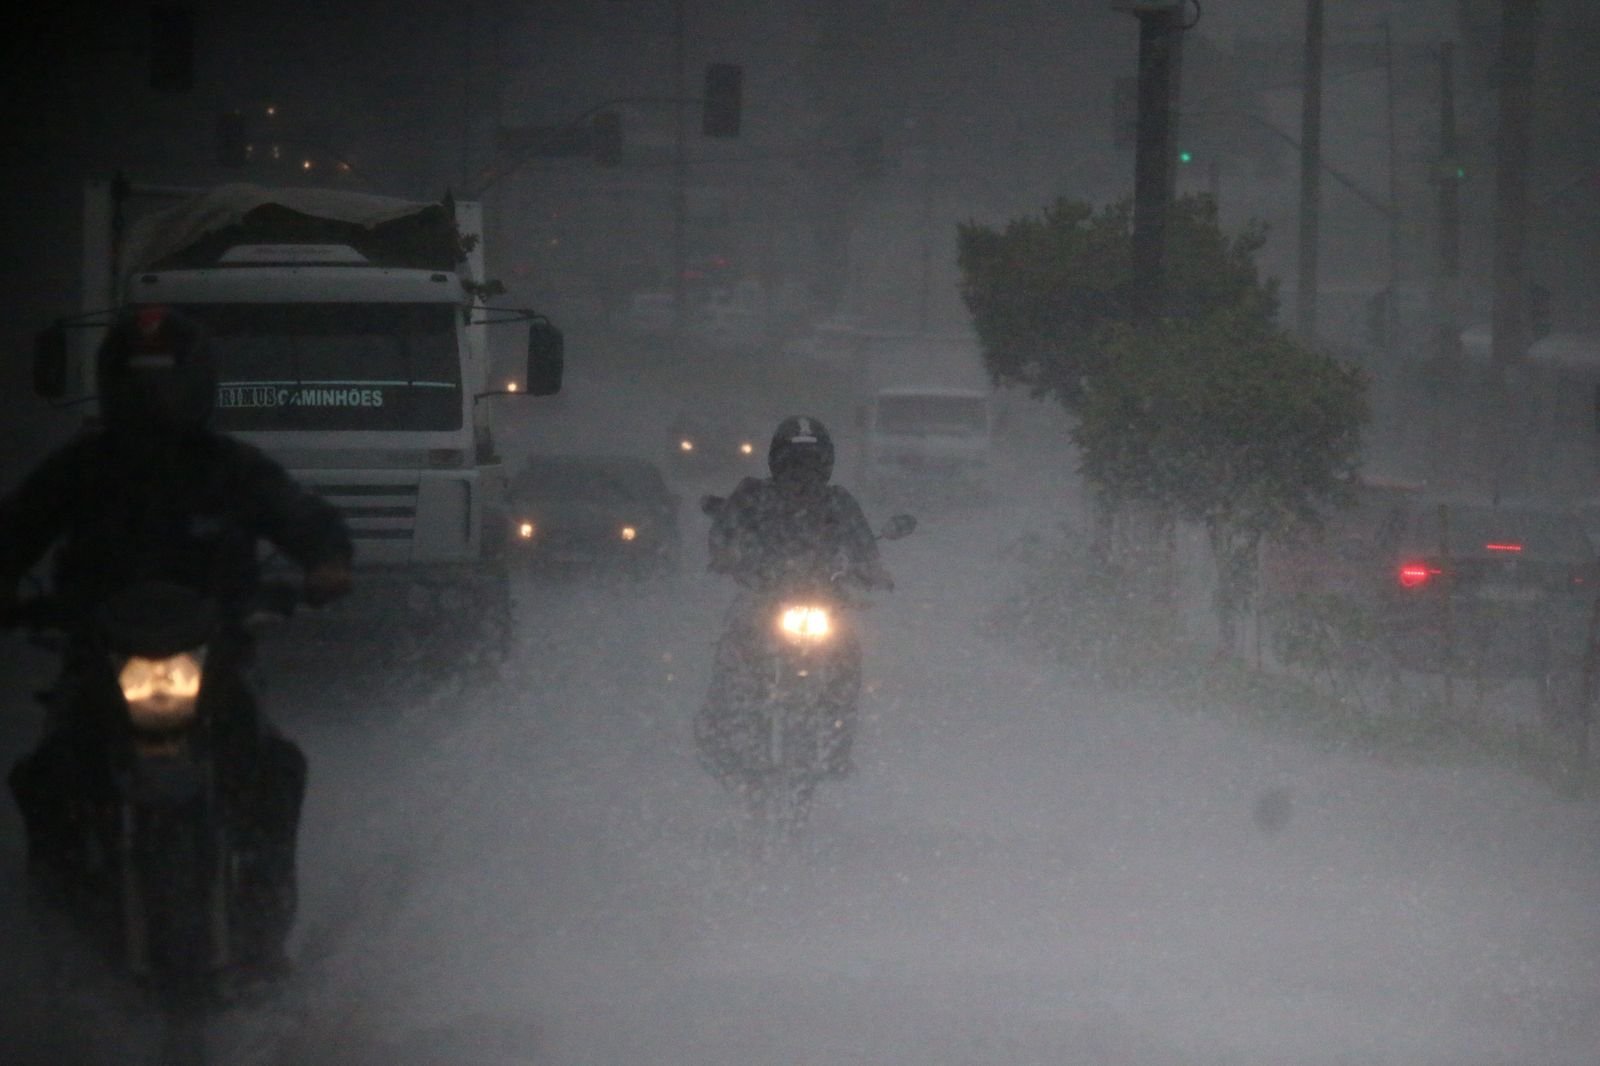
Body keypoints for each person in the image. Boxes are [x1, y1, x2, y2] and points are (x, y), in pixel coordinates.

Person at [0, 306, 352, 970]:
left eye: (167, 385)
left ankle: (264, 923)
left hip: (214, 661)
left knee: (277, 769)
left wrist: (325, 562)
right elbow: (19, 526)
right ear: (111, 387)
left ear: (198, 385)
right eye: (138, 386)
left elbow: (298, 515)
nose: (153, 401)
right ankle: (56, 935)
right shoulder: (82, 470)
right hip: (98, 663)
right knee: (45, 777)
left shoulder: (231, 468)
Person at [697, 415, 892, 786]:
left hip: (822, 602)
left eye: (811, 462)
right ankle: (721, 729)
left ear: (826, 464)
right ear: (777, 461)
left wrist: (872, 570)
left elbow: (863, 543)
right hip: (762, 598)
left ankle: (837, 744)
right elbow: (725, 531)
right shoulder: (753, 496)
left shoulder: (838, 503)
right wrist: (725, 555)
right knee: (732, 652)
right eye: (793, 462)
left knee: (847, 655)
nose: (802, 472)